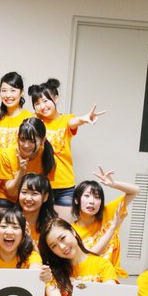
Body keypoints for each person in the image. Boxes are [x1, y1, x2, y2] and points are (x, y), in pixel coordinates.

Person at [29, 78, 105, 220]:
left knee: (61, 228)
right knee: (39, 228)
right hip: (40, 184)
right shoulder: (34, 121)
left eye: (45, 101)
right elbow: (16, 116)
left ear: (56, 99)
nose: (42, 106)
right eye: (37, 103)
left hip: (64, 186)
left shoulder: (65, 120)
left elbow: (73, 122)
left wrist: (84, 119)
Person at [71, 167, 139, 277]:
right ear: (76, 200)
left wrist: (114, 184)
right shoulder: (71, 231)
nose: (92, 201)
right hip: (87, 277)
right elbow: (90, 257)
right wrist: (113, 228)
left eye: (97, 197)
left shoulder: (109, 213)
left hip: (110, 275)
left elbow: (135, 191)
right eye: (87, 196)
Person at [0, 117, 55, 208]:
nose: (26, 145)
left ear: (42, 140)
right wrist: (21, 171)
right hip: (8, 200)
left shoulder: (47, 157)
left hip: (32, 201)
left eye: (32, 141)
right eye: (22, 140)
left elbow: (44, 193)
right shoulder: (6, 155)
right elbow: (11, 192)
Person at [15, 173, 57, 247]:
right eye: (24, 192)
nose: (28, 198)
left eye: (34, 194)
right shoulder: (10, 220)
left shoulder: (51, 227)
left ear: (45, 197)